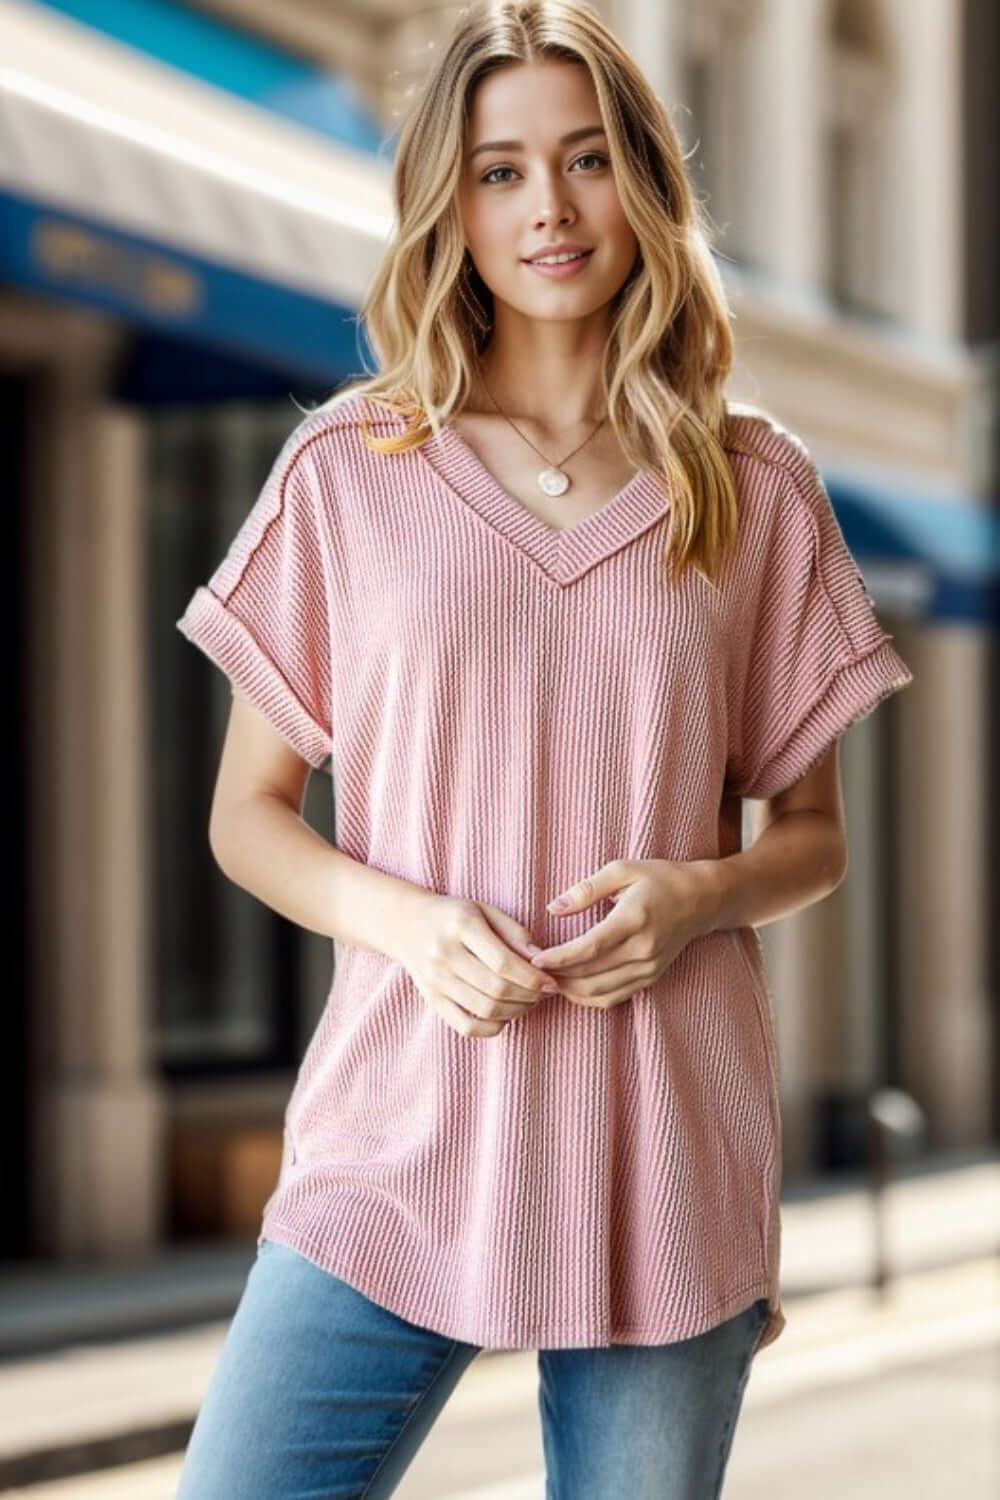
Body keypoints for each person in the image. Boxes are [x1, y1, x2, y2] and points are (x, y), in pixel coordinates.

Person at [173, 2, 915, 1496]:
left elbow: (813, 833)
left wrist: (699, 897)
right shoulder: (350, 468)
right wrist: (411, 923)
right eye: (501, 170)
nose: (550, 208)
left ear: (643, 184)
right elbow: (248, 814)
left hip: (665, 1151)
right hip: (392, 1141)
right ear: (450, 201)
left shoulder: (754, 486)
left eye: (585, 160)